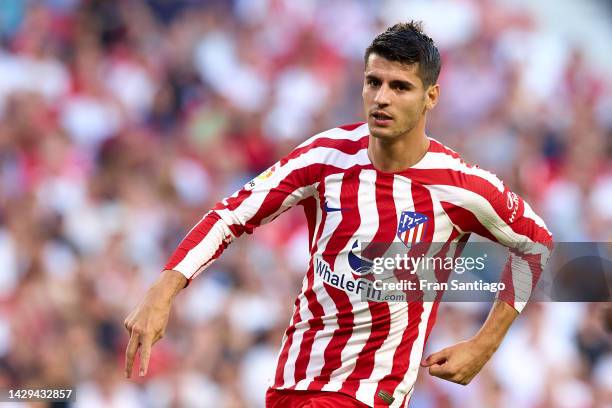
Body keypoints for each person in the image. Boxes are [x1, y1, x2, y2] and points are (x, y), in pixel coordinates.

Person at [124, 21, 553, 407]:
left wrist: (484, 344)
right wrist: (164, 289)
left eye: (400, 87)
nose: (381, 98)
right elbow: (233, 213)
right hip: (293, 379)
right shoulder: (328, 155)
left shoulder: (458, 186)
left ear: (430, 97)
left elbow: (537, 243)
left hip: (369, 392)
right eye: (373, 82)